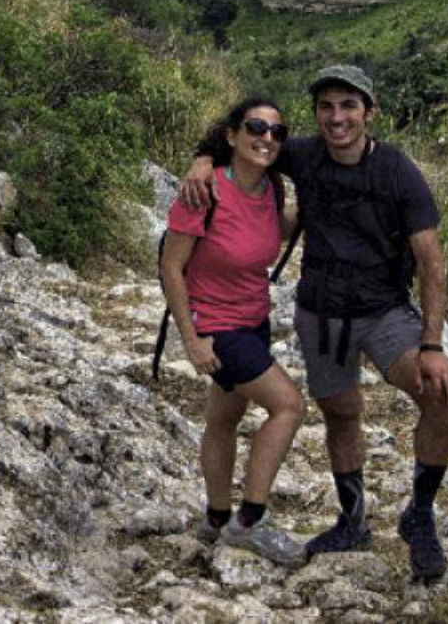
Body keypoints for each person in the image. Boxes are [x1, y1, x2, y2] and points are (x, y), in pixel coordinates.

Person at [181, 66, 448, 582]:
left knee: (442, 394)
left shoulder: (398, 171)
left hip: (383, 313)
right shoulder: (302, 152)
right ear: (317, 115)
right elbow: (242, 139)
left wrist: (432, 343)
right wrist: (203, 160)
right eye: (327, 107)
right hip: (322, 313)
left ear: (369, 113)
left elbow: (432, 262)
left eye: (349, 106)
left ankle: (419, 514)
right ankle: (352, 520)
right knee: (341, 413)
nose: (338, 118)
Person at [161, 97, 307, 567]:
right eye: (256, 127)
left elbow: (274, 232)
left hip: (253, 320)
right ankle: (251, 521)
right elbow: (171, 267)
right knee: (288, 406)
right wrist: (191, 338)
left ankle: (216, 518)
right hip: (219, 328)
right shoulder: (202, 192)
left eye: (277, 132)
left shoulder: (271, 190)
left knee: (223, 419)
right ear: (231, 135)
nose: (267, 138)